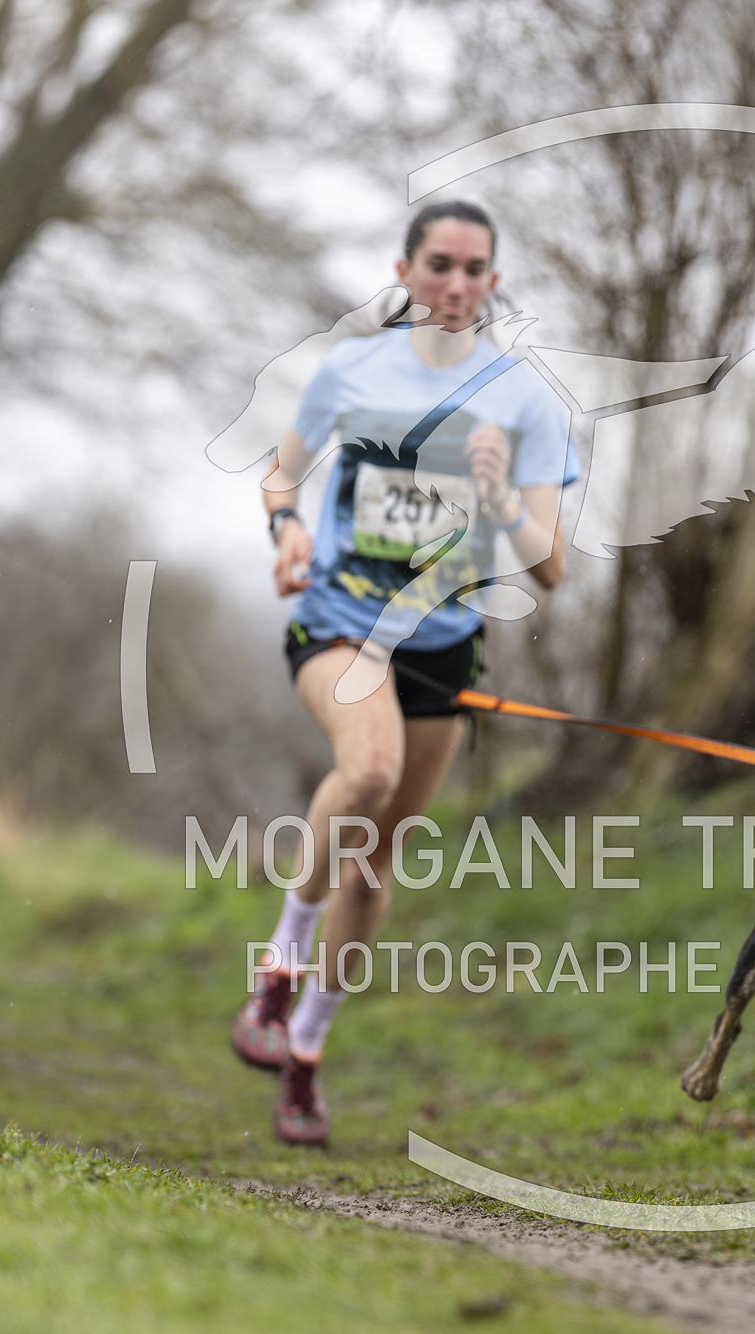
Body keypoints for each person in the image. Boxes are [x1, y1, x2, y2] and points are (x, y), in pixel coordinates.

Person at [231, 201, 575, 1144]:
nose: (455, 285)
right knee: (369, 770)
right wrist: (286, 529)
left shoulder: (525, 400)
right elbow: (279, 476)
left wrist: (500, 495)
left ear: (493, 281)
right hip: (339, 622)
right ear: (405, 271)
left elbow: (551, 566)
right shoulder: (352, 369)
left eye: (473, 269)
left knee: (375, 861)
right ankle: (278, 968)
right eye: (438, 265)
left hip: (439, 646)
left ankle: (304, 1053)